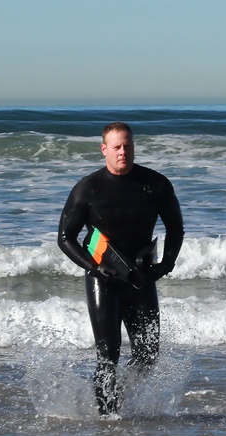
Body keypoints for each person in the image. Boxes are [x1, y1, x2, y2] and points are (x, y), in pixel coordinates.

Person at [58, 121, 185, 415]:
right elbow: (65, 238)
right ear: (104, 149)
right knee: (108, 354)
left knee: (148, 353)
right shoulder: (88, 188)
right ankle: (108, 419)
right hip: (104, 277)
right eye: (116, 146)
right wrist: (93, 267)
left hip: (141, 277)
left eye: (127, 145)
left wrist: (166, 265)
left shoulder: (156, 184)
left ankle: (122, 397)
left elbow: (176, 228)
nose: (123, 152)